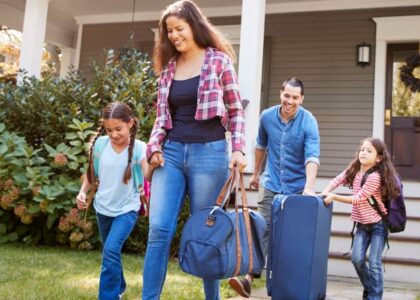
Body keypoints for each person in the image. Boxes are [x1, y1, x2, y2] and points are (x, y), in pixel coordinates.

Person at [142, 1, 247, 299]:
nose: (174, 36)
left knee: (206, 233)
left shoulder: (219, 61)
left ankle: (211, 297)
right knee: (159, 230)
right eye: (169, 31)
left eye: (179, 29)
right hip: (172, 154)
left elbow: (235, 110)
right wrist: (154, 149)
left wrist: (238, 148)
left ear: (194, 26)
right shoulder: (168, 69)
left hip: (209, 154)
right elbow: (161, 118)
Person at [228, 77, 320, 298]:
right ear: (281, 94)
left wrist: (309, 186)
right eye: (286, 95)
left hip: (297, 188)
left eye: (295, 97)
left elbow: (312, 157)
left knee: (290, 237)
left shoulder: (309, 121)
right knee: (263, 228)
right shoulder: (267, 117)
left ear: (302, 98)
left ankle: (286, 284)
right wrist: (257, 173)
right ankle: (249, 278)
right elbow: (261, 146)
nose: (290, 101)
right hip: (271, 183)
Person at [76, 102, 154, 300]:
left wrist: (153, 163)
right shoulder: (101, 144)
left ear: (130, 123)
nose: (114, 135)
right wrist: (83, 192)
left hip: (127, 209)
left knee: (110, 250)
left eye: (118, 129)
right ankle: (119, 284)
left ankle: (108, 296)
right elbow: (91, 174)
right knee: (111, 251)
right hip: (102, 207)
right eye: (109, 130)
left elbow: (148, 174)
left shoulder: (139, 148)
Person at [321, 137, 400, 300]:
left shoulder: (375, 177)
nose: (363, 152)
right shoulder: (354, 170)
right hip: (362, 225)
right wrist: (325, 191)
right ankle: (371, 288)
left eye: (369, 151)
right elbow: (337, 180)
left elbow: (358, 198)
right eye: (362, 149)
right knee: (356, 259)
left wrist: (334, 196)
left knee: (374, 262)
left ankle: (374, 296)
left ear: (378, 158)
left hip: (378, 224)